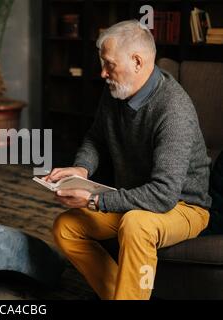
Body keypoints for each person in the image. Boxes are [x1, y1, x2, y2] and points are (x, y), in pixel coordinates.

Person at [46, 20, 212, 300]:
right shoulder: (115, 92)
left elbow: (163, 195)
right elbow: (96, 137)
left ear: (137, 61)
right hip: (134, 197)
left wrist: (94, 200)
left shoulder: (173, 110)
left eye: (109, 64)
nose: (102, 73)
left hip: (184, 206)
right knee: (66, 227)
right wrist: (81, 168)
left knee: (136, 224)